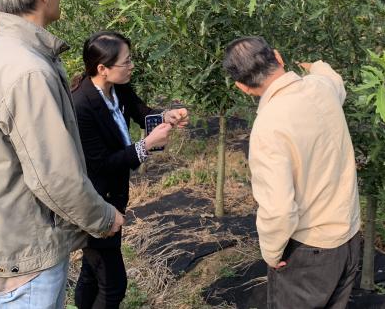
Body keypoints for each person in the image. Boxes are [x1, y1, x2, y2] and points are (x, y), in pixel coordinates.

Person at [0, 0, 124, 308]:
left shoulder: (3, 50)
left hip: (16, 232)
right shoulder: (27, 71)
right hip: (27, 244)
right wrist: (103, 218)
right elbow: (53, 175)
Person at [222, 36, 361, 309]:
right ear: (278, 57)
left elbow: (279, 209)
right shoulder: (321, 88)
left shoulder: (268, 127)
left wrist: (271, 253)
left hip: (310, 251)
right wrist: (317, 65)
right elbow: (333, 77)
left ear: (242, 88)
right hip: (349, 237)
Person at [71, 31, 188, 309]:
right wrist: (145, 146)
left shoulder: (117, 87)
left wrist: (164, 116)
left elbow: (139, 111)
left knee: (91, 271)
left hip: (113, 196)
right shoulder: (81, 105)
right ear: (102, 68)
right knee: (113, 285)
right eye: (126, 61)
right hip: (95, 202)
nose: (131, 66)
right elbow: (98, 164)